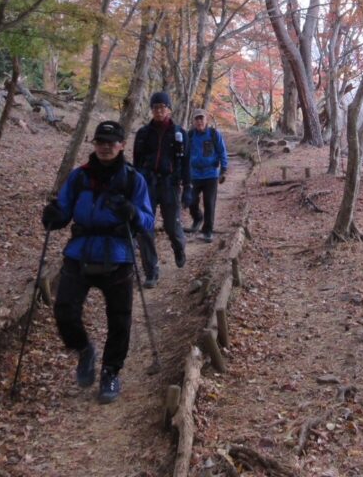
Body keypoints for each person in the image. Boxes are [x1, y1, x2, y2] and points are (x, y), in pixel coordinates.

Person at [41, 120, 153, 404]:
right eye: (100, 141)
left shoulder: (132, 180)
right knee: (64, 310)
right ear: (94, 144)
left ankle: (111, 373)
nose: (105, 146)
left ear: (121, 145)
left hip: (118, 255)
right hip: (79, 252)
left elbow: (148, 221)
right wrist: (52, 216)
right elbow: (63, 211)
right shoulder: (79, 178)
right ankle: (84, 349)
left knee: (119, 320)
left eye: (111, 142)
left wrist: (133, 214)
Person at [133, 91, 190, 276]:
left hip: (170, 184)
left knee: (172, 226)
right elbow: (136, 162)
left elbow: (187, 162)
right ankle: (151, 270)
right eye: (155, 107)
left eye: (162, 107)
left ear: (169, 110)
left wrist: (188, 187)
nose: (158, 111)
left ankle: (179, 247)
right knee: (144, 227)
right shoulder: (143, 133)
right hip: (147, 185)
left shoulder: (180, 133)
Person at [182, 108, 229, 243]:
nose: (199, 121)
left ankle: (207, 231)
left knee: (209, 203)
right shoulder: (189, 136)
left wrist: (224, 170)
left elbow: (222, 152)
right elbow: (184, 156)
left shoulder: (214, 134)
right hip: (194, 174)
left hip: (211, 174)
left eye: (201, 118)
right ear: (193, 121)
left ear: (206, 119)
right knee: (190, 200)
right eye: (196, 119)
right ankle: (197, 218)